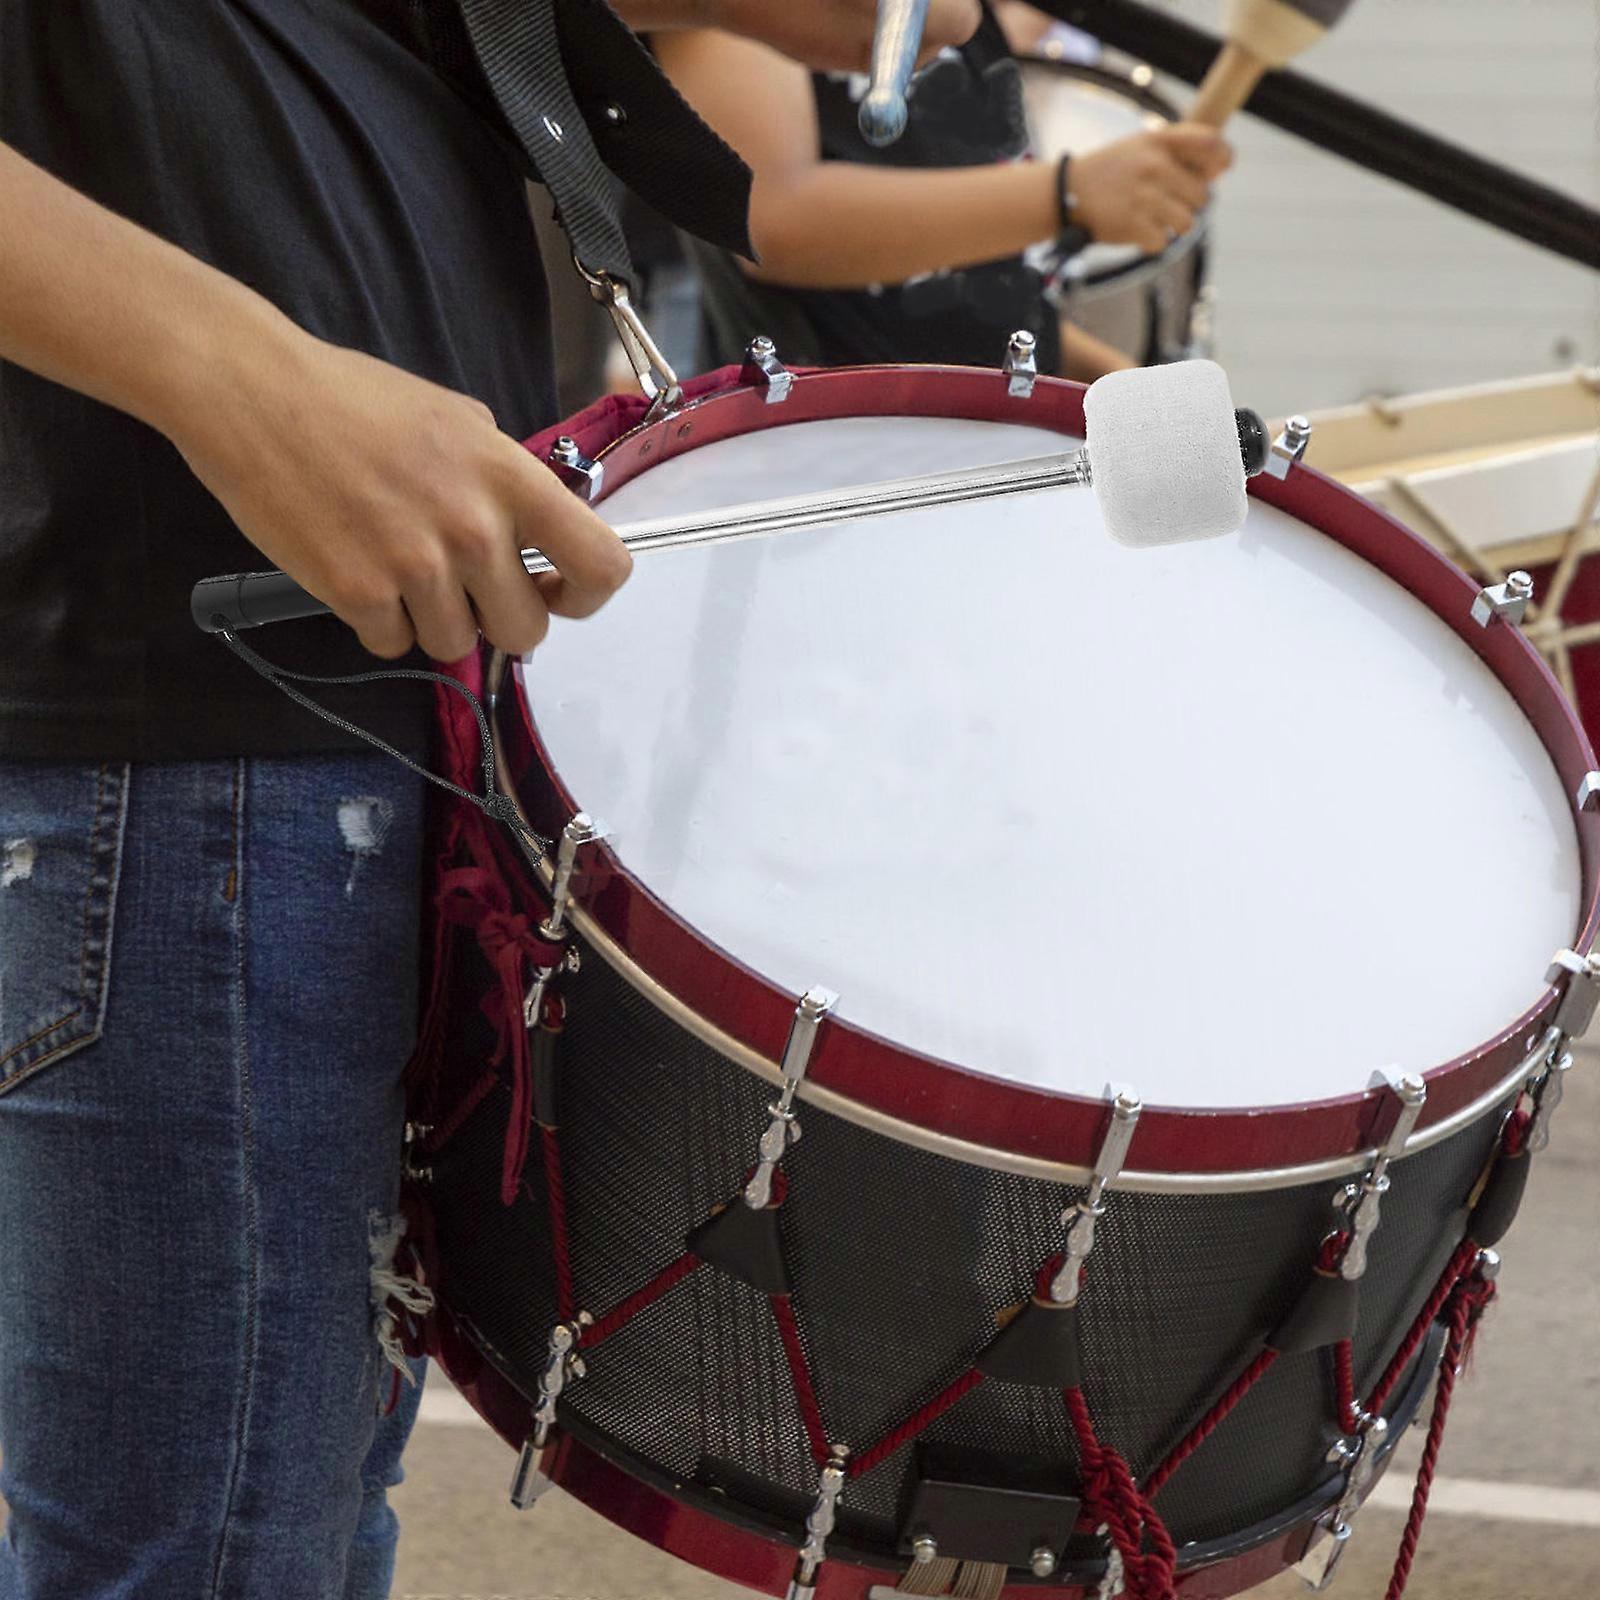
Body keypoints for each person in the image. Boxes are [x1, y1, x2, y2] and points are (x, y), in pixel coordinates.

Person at [0, 3, 981, 1597]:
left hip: (362, 747)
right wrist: (238, 371)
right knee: (214, 1556)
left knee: (292, 1527)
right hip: (190, 752)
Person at [655, 3, 1232, 381]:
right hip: (824, 476)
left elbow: (971, 296)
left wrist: (1121, 383)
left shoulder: (969, 20)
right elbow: (770, 218)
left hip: (984, 462)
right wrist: (1064, 193)